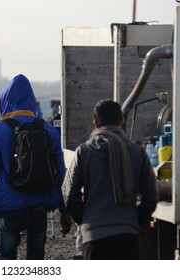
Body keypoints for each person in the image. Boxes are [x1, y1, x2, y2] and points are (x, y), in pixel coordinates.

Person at [0, 74, 71, 260]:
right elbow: (60, 172)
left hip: (8, 205)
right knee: (36, 258)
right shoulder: (47, 129)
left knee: (6, 257)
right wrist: (64, 210)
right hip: (39, 202)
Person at [62, 99, 158, 260]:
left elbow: (69, 193)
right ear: (121, 121)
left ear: (96, 124)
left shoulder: (83, 152)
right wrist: (136, 220)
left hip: (94, 237)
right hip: (128, 236)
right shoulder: (137, 152)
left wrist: (84, 218)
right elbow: (151, 195)